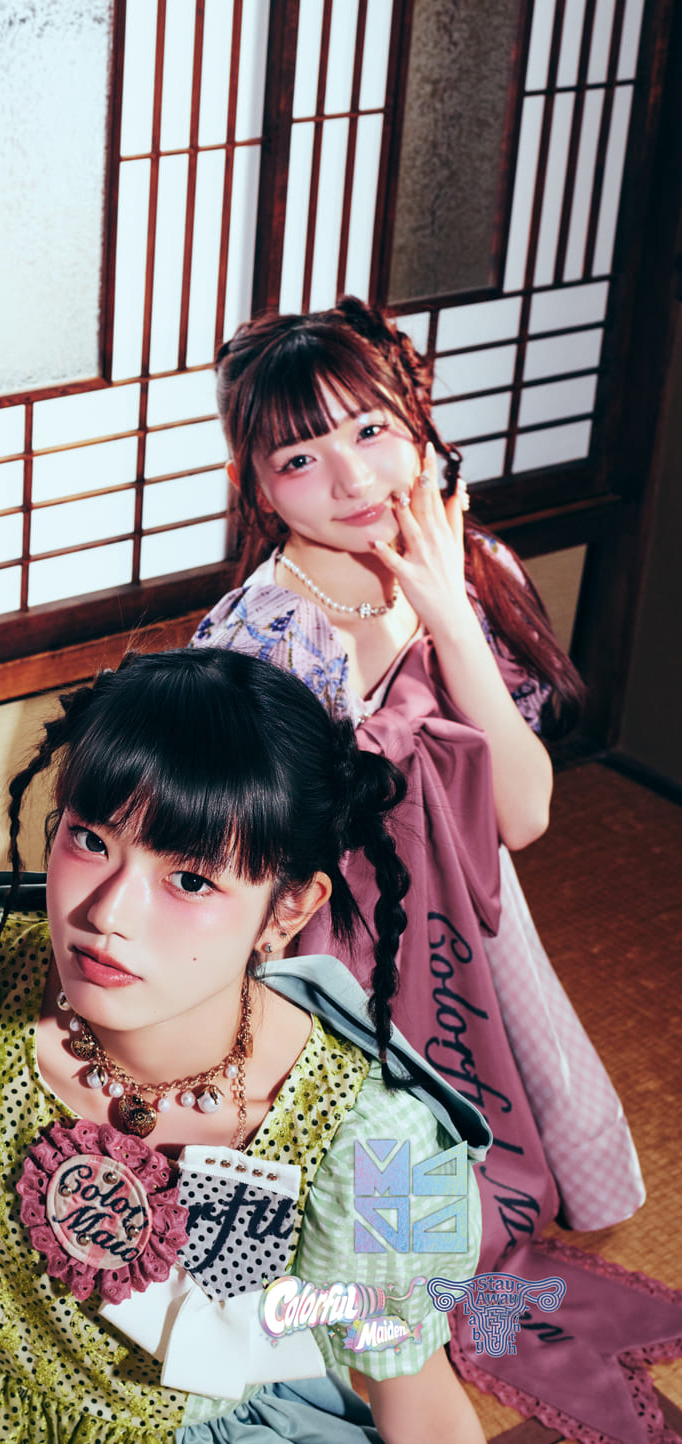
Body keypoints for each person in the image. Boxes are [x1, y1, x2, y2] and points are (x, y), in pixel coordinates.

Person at [191, 298, 680, 1442]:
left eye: (371, 430)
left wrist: (448, 616)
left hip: (467, 915)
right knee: (357, 1224)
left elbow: (525, 814)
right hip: (322, 945)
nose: (353, 478)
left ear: (415, 423)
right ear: (260, 487)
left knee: (477, 1176)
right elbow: (236, 868)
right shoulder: (263, 634)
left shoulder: (466, 568)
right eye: (300, 458)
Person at [0, 647, 490, 1444]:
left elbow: (417, 1398)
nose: (107, 914)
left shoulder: (385, 1143)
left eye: (189, 881)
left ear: (289, 909)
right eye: (89, 839)